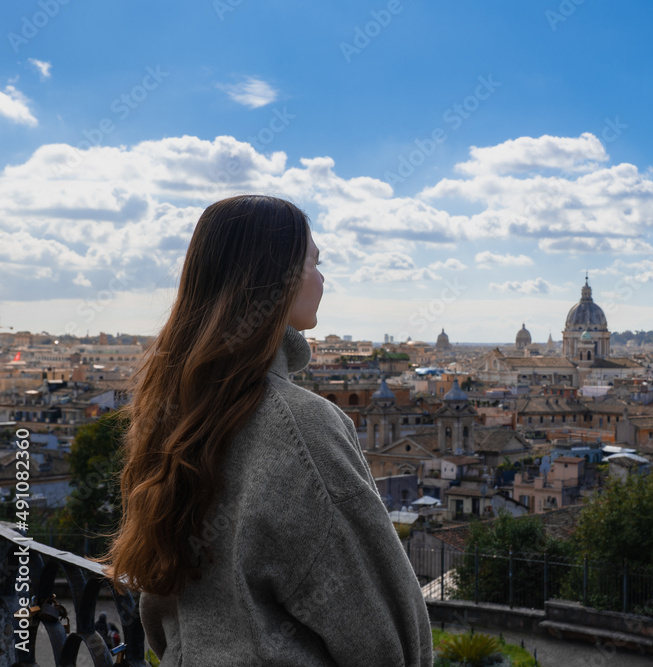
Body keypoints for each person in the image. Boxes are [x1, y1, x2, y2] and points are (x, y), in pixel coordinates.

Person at [104, 195, 432, 666]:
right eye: (314, 262)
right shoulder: (301, 425)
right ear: (280, 276)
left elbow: (159, 603)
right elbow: (387, 634)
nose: (322, 280)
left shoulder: (170, 411)